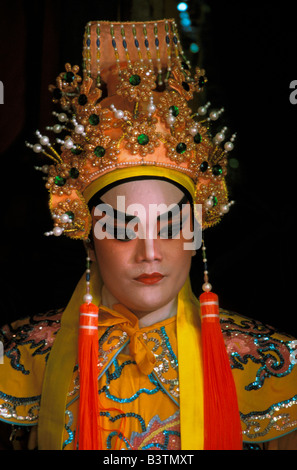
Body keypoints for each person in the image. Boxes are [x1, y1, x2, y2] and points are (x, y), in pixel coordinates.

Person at [0, 19, 296, 451]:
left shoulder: (274, 363)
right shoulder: (18, 356)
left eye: (171, 227)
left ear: (196, 231)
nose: (150, 253)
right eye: (122, 229)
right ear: (89, 237)